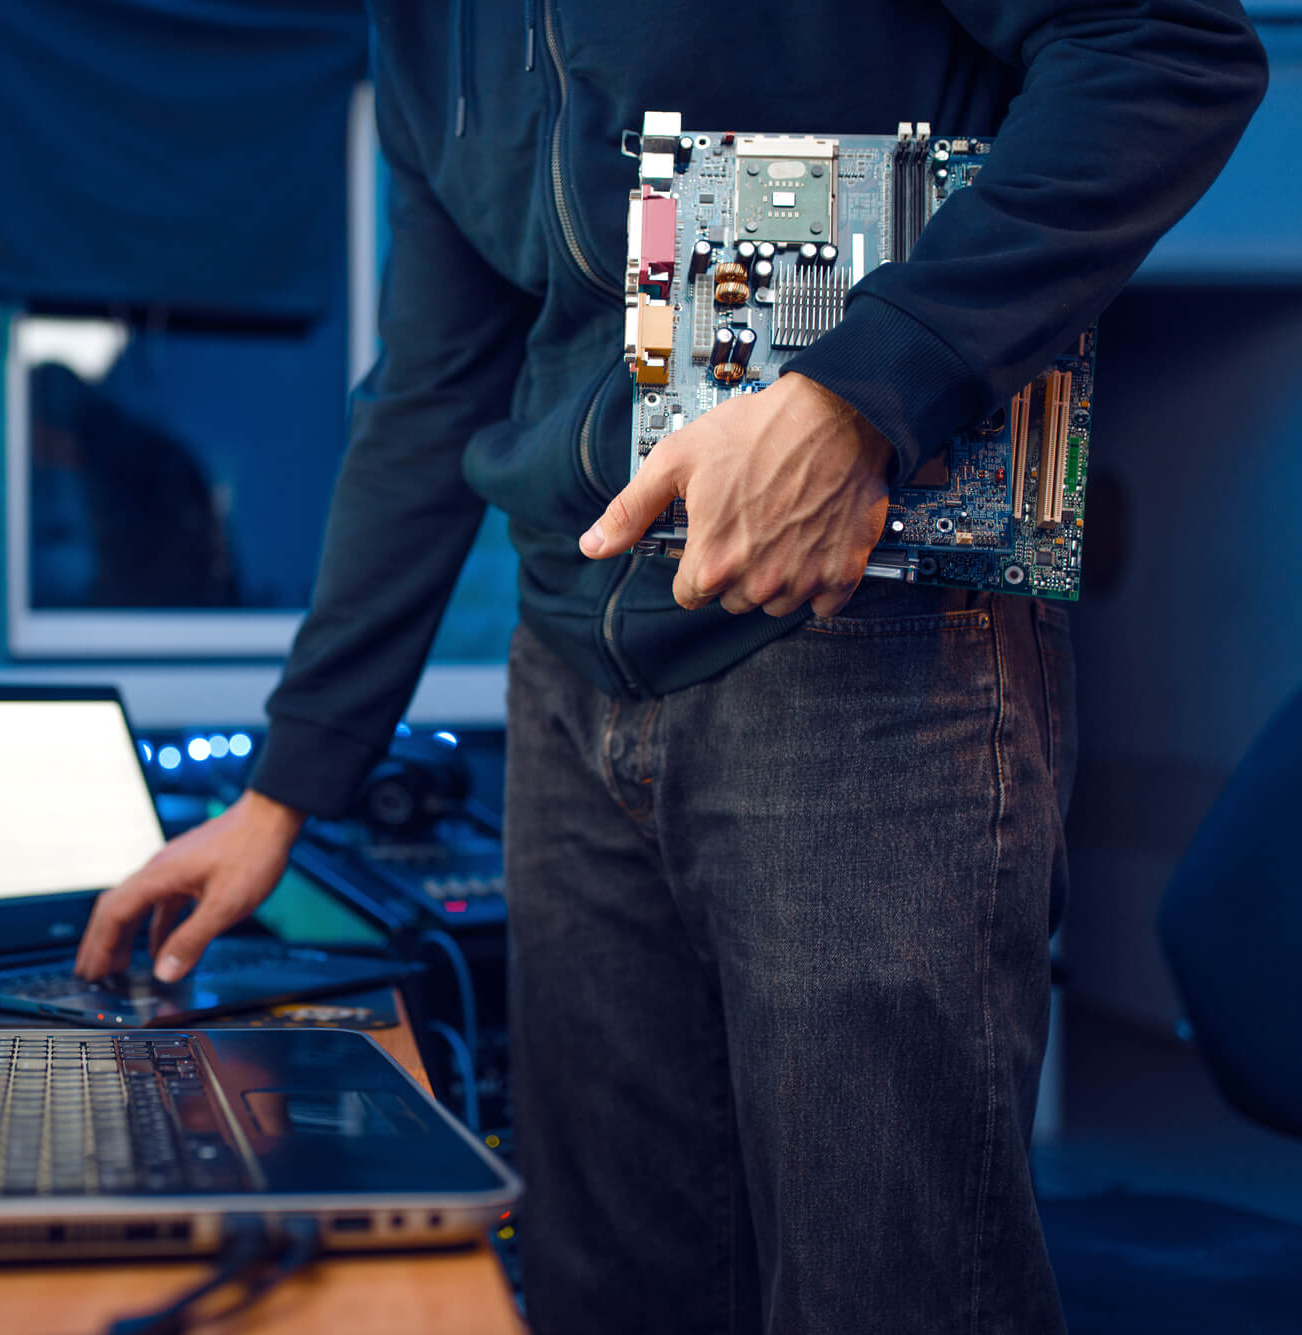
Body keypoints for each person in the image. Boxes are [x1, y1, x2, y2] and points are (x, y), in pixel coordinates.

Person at [75, 2, 1267, 1329]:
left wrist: (862, 392)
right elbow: (426, 390)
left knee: (887, 1294)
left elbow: (1167, 51)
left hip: (865, 652)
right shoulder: (414, 34)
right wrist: (281, 790)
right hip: (570, 682)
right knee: (613, 1292)